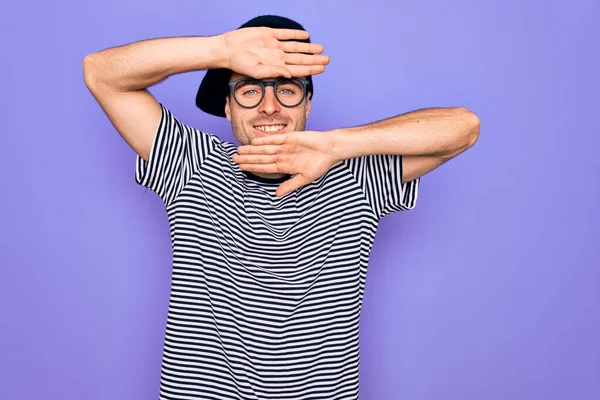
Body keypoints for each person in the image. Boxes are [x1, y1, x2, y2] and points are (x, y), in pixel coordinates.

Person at [84, 14, 479, 400]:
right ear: (228, 107)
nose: (269, 106)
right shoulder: (191, 163)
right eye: (249, 90)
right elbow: (102, 73)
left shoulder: (355, 173)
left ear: (307, 106)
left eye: (287, 90)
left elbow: (463, 127)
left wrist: (335, 146)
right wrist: (218, 49)